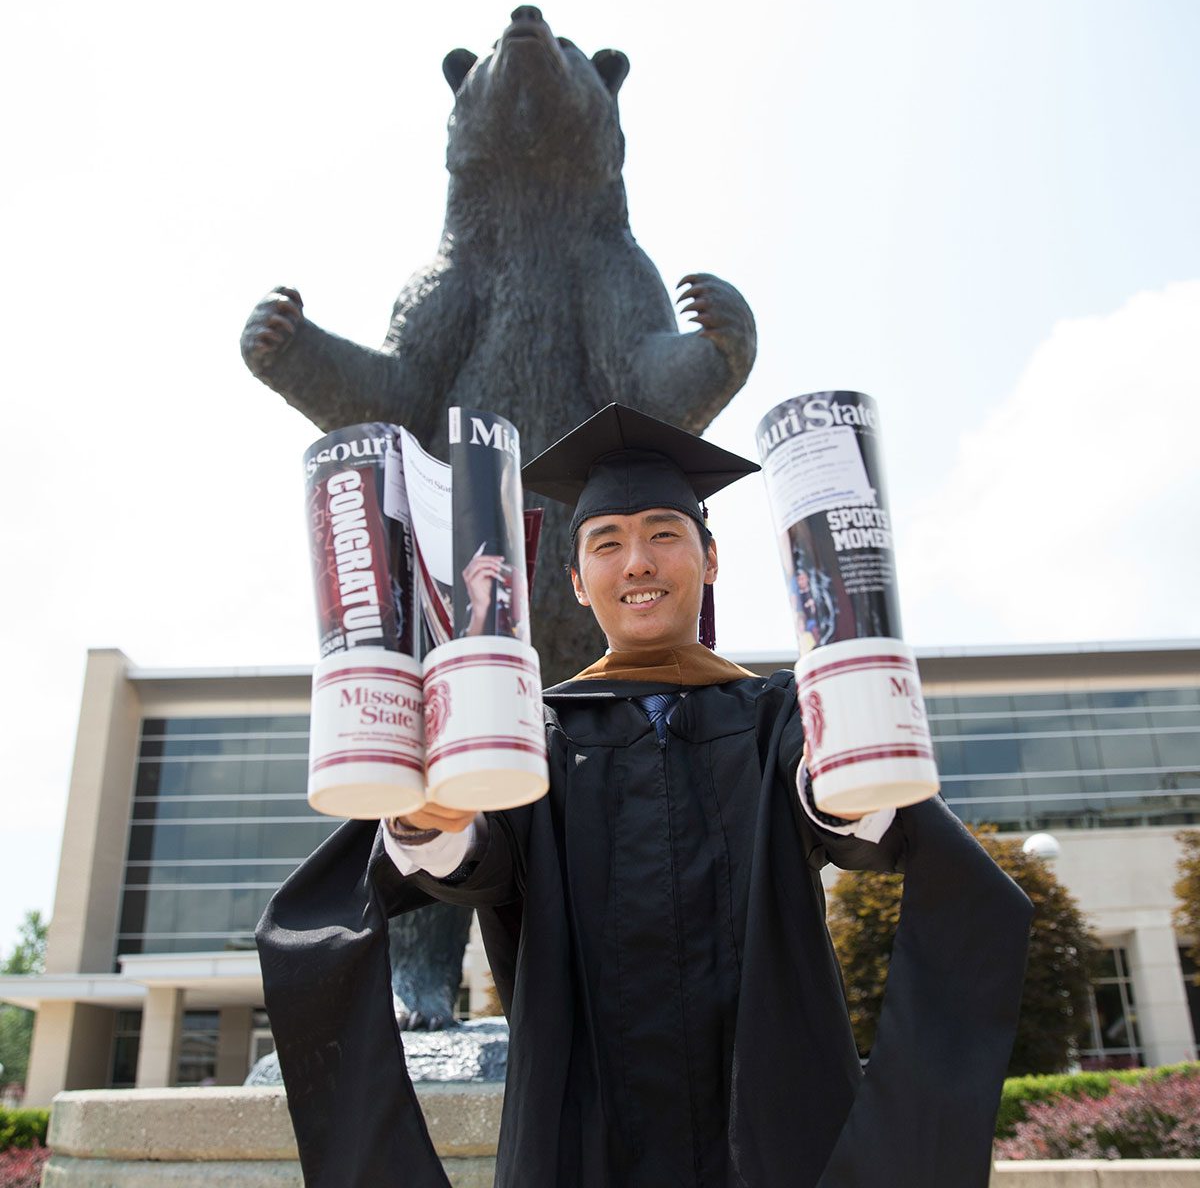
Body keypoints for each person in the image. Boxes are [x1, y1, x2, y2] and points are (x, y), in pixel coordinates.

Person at [258, 404, 1032, 1188]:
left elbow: (848, 821)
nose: (637, 562)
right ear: (574, 581)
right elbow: (485, 862)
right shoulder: (533, 732)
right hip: (586, 1124)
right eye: (607, 543)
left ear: (711, 558)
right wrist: (435, 821)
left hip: (767, 1118)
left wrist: (847, 779)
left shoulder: (780, 714)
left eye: (665, 534)